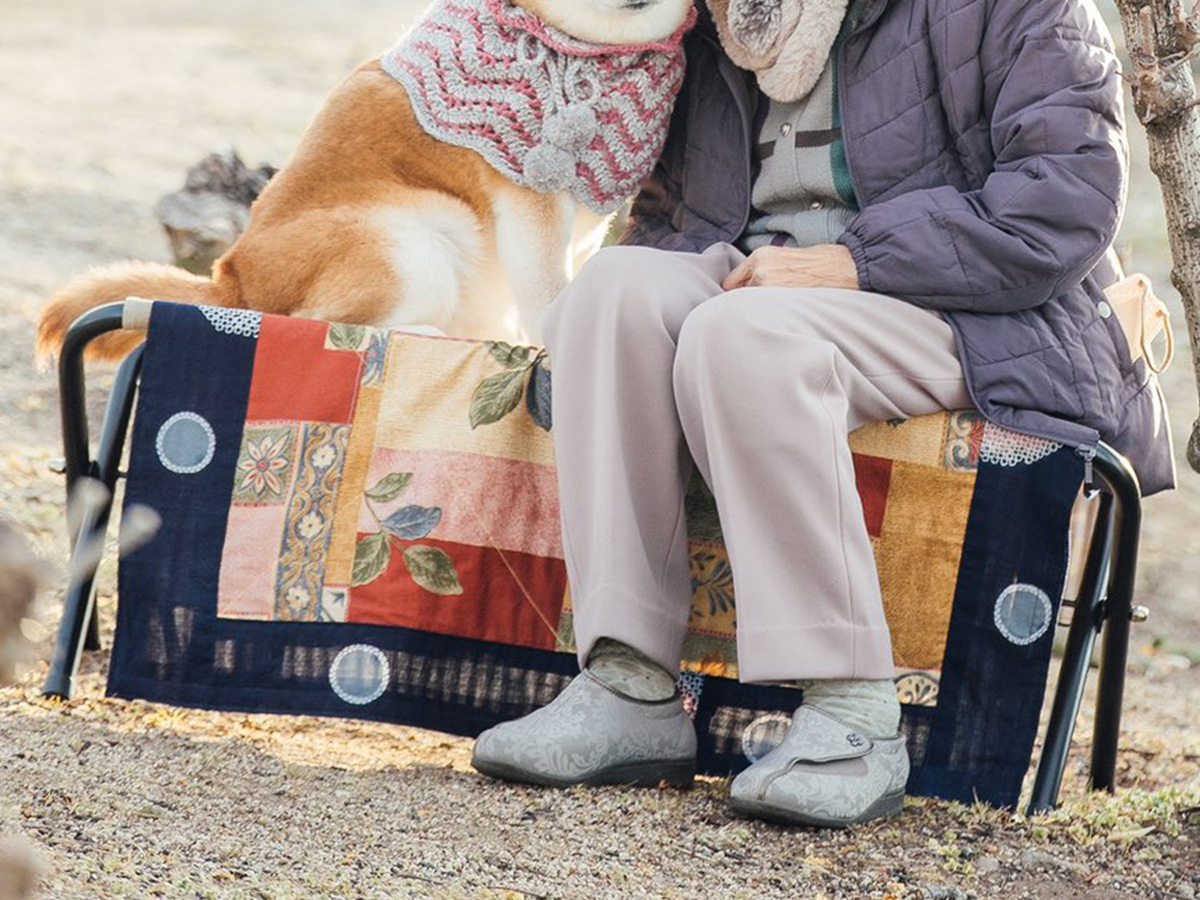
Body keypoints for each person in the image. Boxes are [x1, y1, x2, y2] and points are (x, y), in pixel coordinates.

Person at [471, 0, 1174, 828]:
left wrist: (849, 263)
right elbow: (671, 216)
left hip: (978, 312)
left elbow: (1066, 205)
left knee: (742, 337)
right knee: (609, 296)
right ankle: (629, 686)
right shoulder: (720, 20)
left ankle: (853, 721)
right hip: (761, 284)